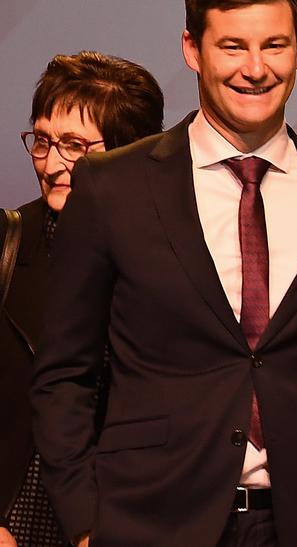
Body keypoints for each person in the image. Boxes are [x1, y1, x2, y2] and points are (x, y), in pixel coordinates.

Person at [31, 0, 297, 547]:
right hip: (145, 526)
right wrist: (86, 522)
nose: (255, 68)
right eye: (233, 47)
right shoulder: (113, 186)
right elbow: (64, 373)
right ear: (192, 49)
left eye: (274, 45)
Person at [0, 52, 164, 547]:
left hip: (130, 520)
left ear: (128, 151)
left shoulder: (169, 258)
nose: (52, 165)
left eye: (75, 146)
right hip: (17, 520)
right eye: (43, 141)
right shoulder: (7, 244)